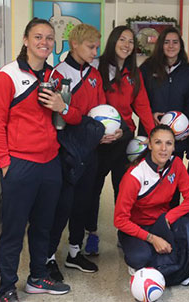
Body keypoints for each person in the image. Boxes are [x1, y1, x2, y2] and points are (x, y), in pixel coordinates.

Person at [0, 18, 71, 301]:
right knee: (13, 229)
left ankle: (37, 277)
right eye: (38, 37)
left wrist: (63, 106)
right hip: (19, 164)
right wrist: (5, 162)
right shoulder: (7, 75)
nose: (44, 42)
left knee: (43, 226)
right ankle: (6, 288)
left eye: (49, 38)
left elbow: (67, 118)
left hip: (50, 163)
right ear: (25, 40)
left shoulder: (55, 76)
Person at [83, 25, 157, 256]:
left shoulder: (134, 74)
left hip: (124, 138)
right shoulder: (97, 67)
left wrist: (154, 135)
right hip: (99, 138)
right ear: (113, 41)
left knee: (124, 189)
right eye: (122, 40)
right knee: (93, 188)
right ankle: (91, 233)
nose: (127, 45)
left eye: (131, 42)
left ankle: (124, 233)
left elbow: (142, 105)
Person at [46, 23, 111, 281]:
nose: (95, 51)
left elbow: (100, 110)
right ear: (74, 44)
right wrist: (81, 120)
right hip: (66, 149)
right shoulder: (57, 74)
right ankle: (49, 257)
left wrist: (108, 129)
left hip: (90, 148)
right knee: (62, 205)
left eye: (97, 46)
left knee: (83, 203)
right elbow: (58, 114)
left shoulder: (95, 75)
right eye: (90, 46)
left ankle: (74, 252)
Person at [114, 125, 189, 286]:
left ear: (174, 146)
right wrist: (152, 239)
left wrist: (168, 217)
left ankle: (162, 266)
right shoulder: (134, 175)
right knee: (140, 258)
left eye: (169, 143)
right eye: (158, 142)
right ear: (150, 145)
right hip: (136, 227)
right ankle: (136, 252)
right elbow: (119, 220)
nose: (164, 149)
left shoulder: (177, 164)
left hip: (162, 221)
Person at [139, 26, 189, 157]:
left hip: (176, 136)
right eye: (166, 42)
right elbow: (138, 100)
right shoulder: (147, 69)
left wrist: (188, 125)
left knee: (171, 175)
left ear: (180, 46)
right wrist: (150, 115)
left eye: (175, 42)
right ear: (160, 45)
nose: (171, 46)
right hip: (151, 132)